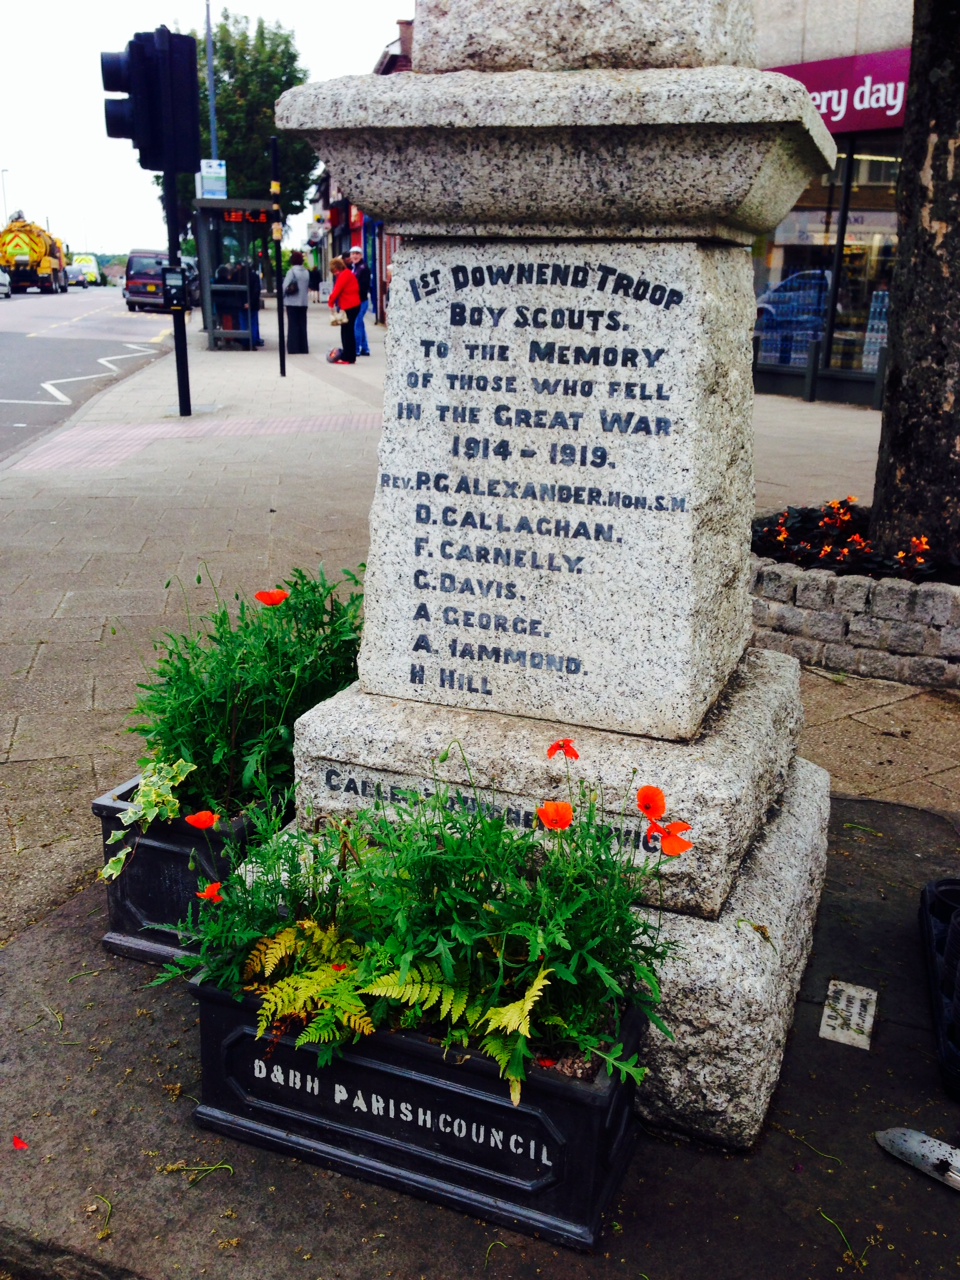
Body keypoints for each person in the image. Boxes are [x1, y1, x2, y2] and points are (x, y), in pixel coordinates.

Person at [327, 256, 361, 365]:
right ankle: (350, 356)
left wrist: (330, 303)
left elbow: (337, 290)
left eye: (335, 271)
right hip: (352, 305)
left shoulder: (344, 275)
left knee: (347, 332)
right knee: (347, 331)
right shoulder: (347, 274)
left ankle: (348, 357)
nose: (335, 274)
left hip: (350, 306)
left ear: (339, 268)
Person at [283, 250, 310, 355]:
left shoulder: (291, 272)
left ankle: (293, 347)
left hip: (292, 302)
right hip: (303, 302)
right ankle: (303, 347)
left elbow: (285, 286)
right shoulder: (306, 272)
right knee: (302, 325)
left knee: (293, 325)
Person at [348, 245, 371, 356]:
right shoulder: (354, 267)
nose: (355, 256)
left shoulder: (363, 268)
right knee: (360, 324)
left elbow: (363, 286)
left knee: (356, 324)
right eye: (353, 254)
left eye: (357, 254)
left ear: (361, 255)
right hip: (356, 300)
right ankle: (365, 349)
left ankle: (356, 348)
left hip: (360, 301)